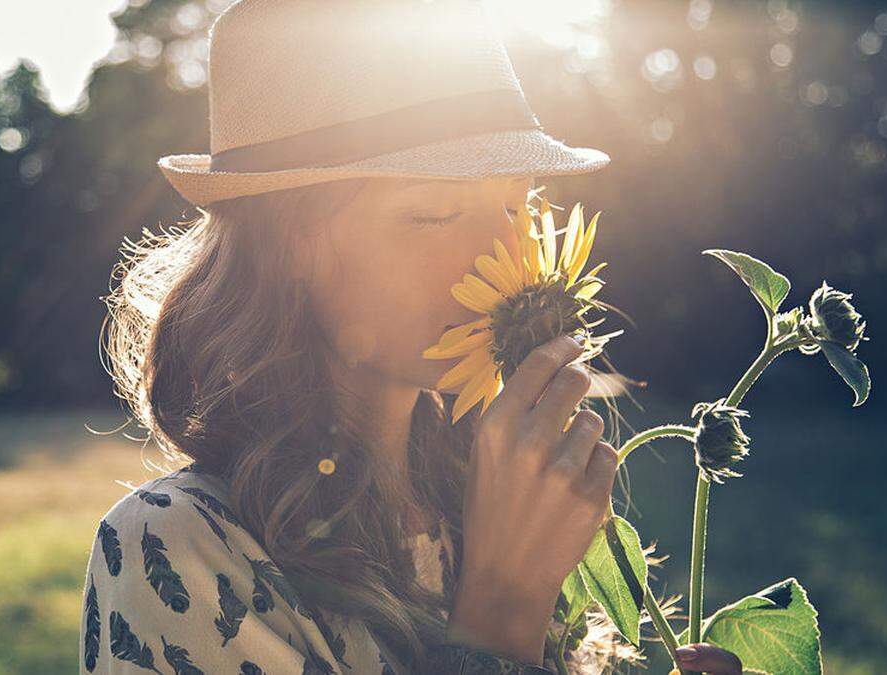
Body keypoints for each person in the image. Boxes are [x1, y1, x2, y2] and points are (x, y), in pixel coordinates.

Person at [80, 1, 744, 673]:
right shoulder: (177, 550)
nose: (507, 252)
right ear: (288, 246)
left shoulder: (489, 499)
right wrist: (504, 607)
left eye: (520, 205)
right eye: (435, 212)